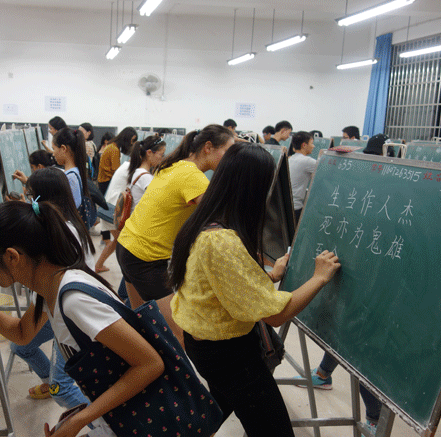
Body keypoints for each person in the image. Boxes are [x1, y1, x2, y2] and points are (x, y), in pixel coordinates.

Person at [168, 142, 341, 437]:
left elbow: (225, 285)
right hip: (229, 355)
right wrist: (319, 278)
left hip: (205, 346)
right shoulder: (222, 242)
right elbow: (275, 315)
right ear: (254, 189)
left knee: (220, 408)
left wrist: (271, 275)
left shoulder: (204, 221)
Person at [0, 200, 166, 437]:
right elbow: (23, 334)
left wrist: (80, 420)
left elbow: (150, 363)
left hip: (140, 421)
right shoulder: (49, 287)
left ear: (12, 256)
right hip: (118, 418)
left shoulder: (74, 300)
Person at [297, 135, 387, 435]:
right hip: (351, 278)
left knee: (359, 346)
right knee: (345, 332)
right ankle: (324, 374)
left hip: (373, 288)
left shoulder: (384, 204)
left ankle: (374, 416)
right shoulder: (361, 198)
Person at [116, 125, 235, 345]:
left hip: (127, 246)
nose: (230, 158)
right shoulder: (193, 177)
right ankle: (170, 367)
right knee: (178, 335)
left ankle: (148, 361)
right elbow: (219, 217)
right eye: (228, 151)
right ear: (208, 147)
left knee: (144, 323)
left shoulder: (175, 165)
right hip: (145, 258)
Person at [11, 168, 94, 407]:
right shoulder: (64, 223)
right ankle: (51, 382)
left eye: (31, 196)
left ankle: (104, 425)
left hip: (70, 315)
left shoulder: (59, 233)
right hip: (56, 308)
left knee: (63, 390)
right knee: (21, 346)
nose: (29, 201)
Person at [94, 136, 166, 273]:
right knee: (120, 243)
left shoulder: (131, 168)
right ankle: (107, 267)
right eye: (161, 155)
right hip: (115, 207)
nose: (162, 158)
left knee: (117, 241)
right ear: (148, 153)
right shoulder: (141, 174)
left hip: (112, 204)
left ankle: (100, 265)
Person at [97, 127, 138, 243]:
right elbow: (115, 169)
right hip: (107, 181)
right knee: (106, 211)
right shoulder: (114, 149)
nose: (132, 144)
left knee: (104, 211)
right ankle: (105, 239)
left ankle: (105, 238)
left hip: (104, 180)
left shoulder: (111, 146)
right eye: (132, 140)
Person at [52, 128, 94, 227]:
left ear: (63, 148)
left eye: (54, 149)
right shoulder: (75, 172)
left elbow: (67, 212)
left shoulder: (70, 178)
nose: (53, 154)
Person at [288, 131, 317, 223]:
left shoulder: (290, 158)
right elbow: (325, 173)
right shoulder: (307, 161)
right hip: (296, 207)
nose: (313, 146)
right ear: (304, 145)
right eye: (312, 143)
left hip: (287, 205)